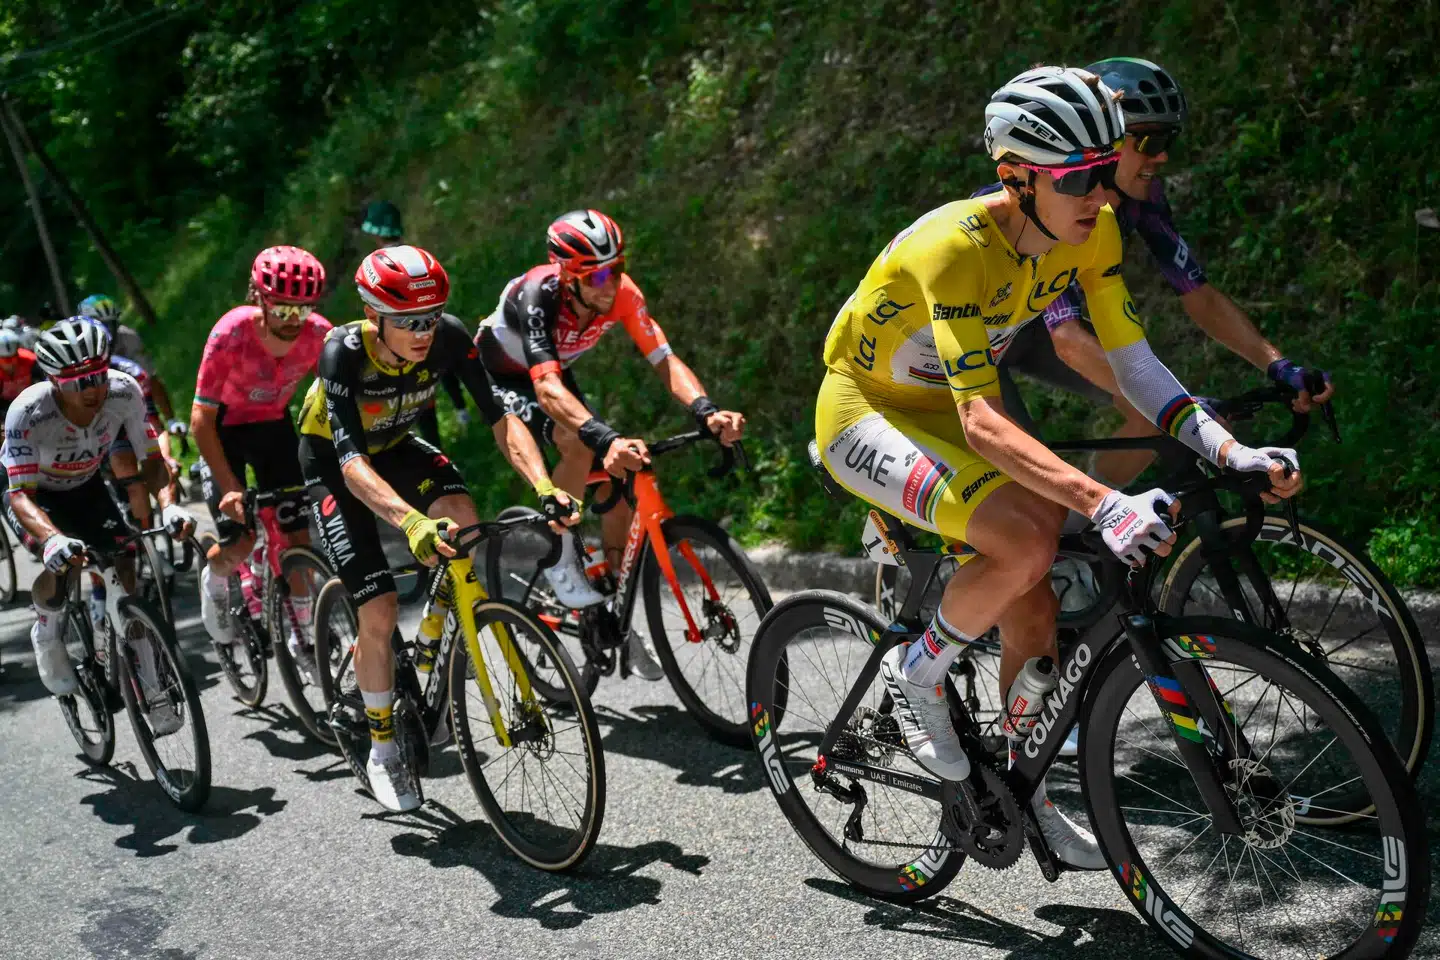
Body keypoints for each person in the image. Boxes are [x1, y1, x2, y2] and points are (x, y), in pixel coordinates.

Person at [814, 65, 1302, 869]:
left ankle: (1026, 793)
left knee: (1034, 606)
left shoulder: (1095, 232)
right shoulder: (954, 248)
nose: (1100, 194)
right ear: (1016, 177)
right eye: (1076, 178)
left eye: (1102, 171)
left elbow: (1139, 368)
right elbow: (978, 415)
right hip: (867, 408)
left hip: (944, 407)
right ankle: (918, 673)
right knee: (1029, 540)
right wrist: (1106, 502)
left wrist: (1229, 448)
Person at [297, 244, 581, 812]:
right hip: (335, 463)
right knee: (377, 609)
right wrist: (411, 522)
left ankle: (447, 636)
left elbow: (502, 421)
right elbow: (353, 465)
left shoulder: (450, 337)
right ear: (374, 316)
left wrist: (544, 487)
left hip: (399, 444)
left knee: (465, 520)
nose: (424, 332)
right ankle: (381, 748)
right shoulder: (342, 354)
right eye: (408, 322)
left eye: (430, 317)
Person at [989, 58, 1333, 489]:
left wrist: (1279, 365)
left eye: (1168, 138)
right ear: (1106, 140)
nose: (1163, 155)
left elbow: (1198, 294)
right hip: (967, 345)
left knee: (1148, 415)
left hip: (1030, 326)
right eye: (1149, 140)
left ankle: (1087, 542)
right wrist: (1183, 407)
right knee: (1025, 487)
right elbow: (1069, 341)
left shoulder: (1139, 197)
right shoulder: (1042, 201)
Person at [476, 209, 747, 678]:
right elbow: (545, 391)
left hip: (554, 374)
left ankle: (606, 603)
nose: (609, 283)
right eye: (596, 274)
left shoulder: (622, 294)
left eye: (616, 269)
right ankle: (560, 552)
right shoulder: (537, 295)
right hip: (504, 376)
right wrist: (605, 438)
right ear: (566, 273)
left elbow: (664, 359)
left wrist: (706, 409)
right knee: (582, 444)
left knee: (619, 472)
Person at [1, 319, 194, 717]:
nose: (92, 390)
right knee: (65, 564)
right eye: (77, 383)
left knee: (125, 561)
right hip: (35, 496)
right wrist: (53, 539)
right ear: (54, 381)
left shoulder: (124, 391)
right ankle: (48, 630)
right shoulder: (28, 411)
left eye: (96, 376)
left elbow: (153, 461)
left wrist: (170, 502)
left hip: (85, 485)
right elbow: (20, 495)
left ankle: (148, 677)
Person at [190, 247, 332, 677]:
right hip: (223, 430)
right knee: (241, 539)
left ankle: (304, 637)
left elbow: (343, 399)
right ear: (259, 297)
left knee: (297, 537)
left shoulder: (320, 334)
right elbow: (201, 419)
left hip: (273, 426)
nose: (294, 318)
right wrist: (230, 486)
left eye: (303, 308)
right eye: (283, 306)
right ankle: (216, 580)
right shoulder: (231, 334)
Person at [0, 327, 43, 410]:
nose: (11, 362)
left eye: (14, 356)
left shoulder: (31, 360)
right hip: (5, 407)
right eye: (5, 359)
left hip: (34, 401)